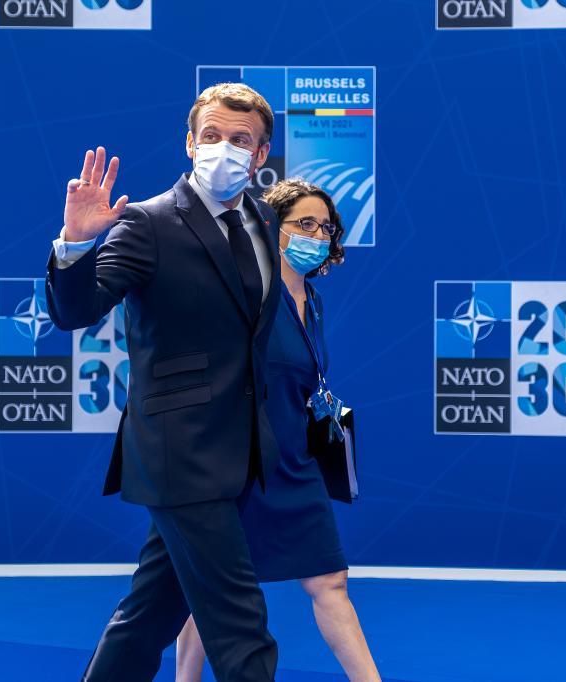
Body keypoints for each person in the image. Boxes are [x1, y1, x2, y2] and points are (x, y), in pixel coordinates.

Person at [44, 83, 284, 682]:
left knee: (149, 616)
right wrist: (76, 242)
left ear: (260, 156)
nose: (222, 148)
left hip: (237, 451)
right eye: (210, 136)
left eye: (239, 140)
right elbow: (77, 312)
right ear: (189, 142)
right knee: (239, 624)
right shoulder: (149, 223)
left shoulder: (264, 222)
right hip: (180, 450)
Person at [175, 179, 381, 682]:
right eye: (304, 223)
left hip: (297, 465)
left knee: (330, 580)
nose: (317, 234)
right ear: (271, 227)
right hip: (237, 466)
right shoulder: (246, 294)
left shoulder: (313, 299)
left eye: (325, 227)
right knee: (210, 587)